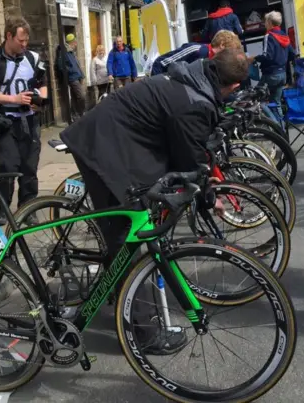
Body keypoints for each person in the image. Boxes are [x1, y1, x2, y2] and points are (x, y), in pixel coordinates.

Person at [60, 48, 249, 354]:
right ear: (233, 86)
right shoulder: (194, 102)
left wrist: (199, 183)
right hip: (104, 146)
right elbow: (187, 158)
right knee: (127, 238)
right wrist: (206, 195)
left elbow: (186, 154)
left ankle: (119, 296)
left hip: (122, 142)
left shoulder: (195, 79)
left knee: (127, 231)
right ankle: (144, 332)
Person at [0, 17, 48, 225]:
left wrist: (40, 100)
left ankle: (28, 208)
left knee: (30, 167)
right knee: (8, 167)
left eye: (27, 41)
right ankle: (3, 207)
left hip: (30, 121)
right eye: (20, 41)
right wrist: (13, 99)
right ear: (9, 36)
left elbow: (42, 84)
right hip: (5, 122)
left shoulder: (34, 58)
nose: (24, 45)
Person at [249, 11, 297, 124]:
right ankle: (281, 130)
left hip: (271, 75)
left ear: (270, 22)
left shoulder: (268, 36)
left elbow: (267, 56)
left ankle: (266, 126)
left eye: (265, 21)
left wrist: (254, 58)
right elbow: (292, 54)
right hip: (282, 75)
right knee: (276, 103)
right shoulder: (284, 35)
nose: (265, 24)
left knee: (254, 99)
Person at [151, 30, 241, 76]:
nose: (230, 55)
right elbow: (161, 63)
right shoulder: (196, 50)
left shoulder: (215, 62)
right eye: (230, 51)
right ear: (222, 45)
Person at [56, 34, 85, 119]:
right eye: (75, 42)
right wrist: (71, 71)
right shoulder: (64, 51)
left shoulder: (71, 52)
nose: (76, 44)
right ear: (72, 42)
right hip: (72, 78)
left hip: (77, 77)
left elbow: (77, 65)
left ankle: (75, 115)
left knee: (75, 98)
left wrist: (81, 75)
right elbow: (61, 66)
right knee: (81, 96)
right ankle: (81, 112)